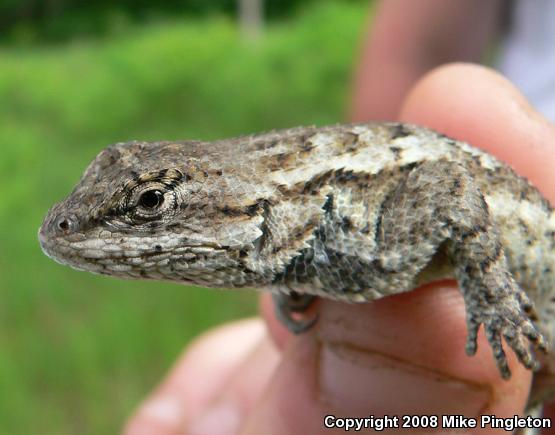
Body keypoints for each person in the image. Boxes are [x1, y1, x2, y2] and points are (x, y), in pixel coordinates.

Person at [123, 2, 555, 433]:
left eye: (151, 204)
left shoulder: (349, 223)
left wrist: (491, 296)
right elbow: (413, 52)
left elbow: (452, 192)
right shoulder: (317, 225)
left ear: (255, 214)